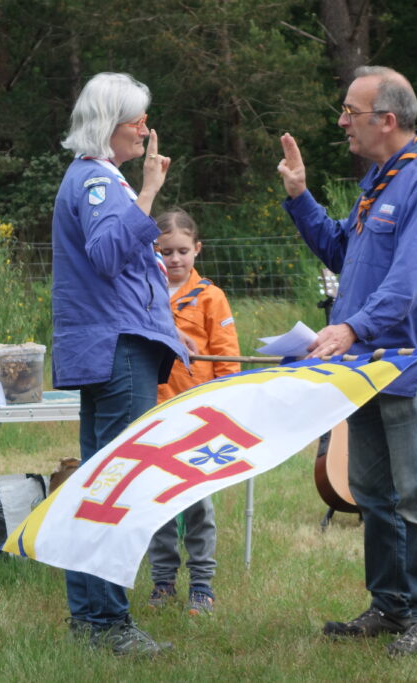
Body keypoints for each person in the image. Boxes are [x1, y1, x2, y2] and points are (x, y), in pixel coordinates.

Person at [277, 65, 417, 656]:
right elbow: (340, 249)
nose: (341, 123)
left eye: (350, 113)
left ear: (387, 119)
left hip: (404, 365)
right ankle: (389, 606)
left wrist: (349, 326)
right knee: (370, 492)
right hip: (363, 368)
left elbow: (407, 285)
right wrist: (300, 197)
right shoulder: (379, 180)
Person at [51, 71, 194, 656]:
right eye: (137, 119)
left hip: (105, 347)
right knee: (116, 487)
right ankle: (109, 623)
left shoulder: (94, 178)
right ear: (110, 125)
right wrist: (149, 193)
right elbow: (109, 253)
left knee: (95, 484)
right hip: (119, 349)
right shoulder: (96, 182)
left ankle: (89, 617)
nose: (145, 128)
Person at [145, 208, 241, 616]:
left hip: (198, 415)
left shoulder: (211, 297)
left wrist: (223, 408)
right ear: (154, 251)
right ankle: (162, 582)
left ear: (197, 249)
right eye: (166, 251)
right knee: (156, 503)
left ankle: (202, 585)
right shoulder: (143, 291)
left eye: (183, 250)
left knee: (197, 504)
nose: (175, 259)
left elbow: (227, 358)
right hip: (151, 413)